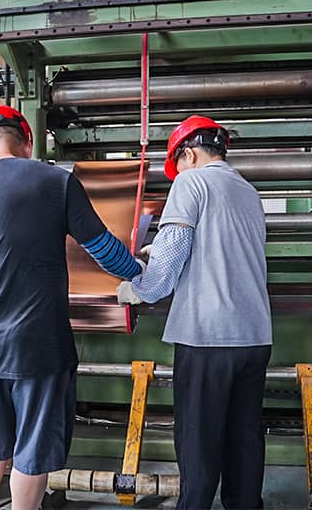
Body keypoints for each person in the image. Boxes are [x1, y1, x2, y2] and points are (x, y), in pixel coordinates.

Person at [0, 105, 142, 510]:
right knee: (32, 449)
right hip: (41, 345)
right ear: (27, 144)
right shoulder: (55, 182)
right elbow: (104, 250)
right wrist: (140, 272)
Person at [116, 115, 273, 509]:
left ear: (187, 154)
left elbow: (165, 274)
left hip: (207, 338)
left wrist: (137, 287)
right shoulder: (248, 191)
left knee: (199, 444)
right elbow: (217, 246)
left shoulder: (191, 183)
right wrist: (161, 247)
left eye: (178, 165)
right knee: (243, 439)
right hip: (255, 337)